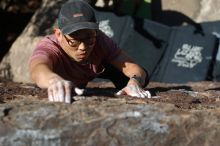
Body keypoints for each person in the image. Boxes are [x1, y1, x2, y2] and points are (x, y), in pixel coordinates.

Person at [29, 0, 151, 103]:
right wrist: (53, 80)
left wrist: (135, 81)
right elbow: (38, 67)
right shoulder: (50, 46)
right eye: (74, 40)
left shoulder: (100, 40)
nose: (82, 47)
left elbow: (135, 69)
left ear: (96, 31)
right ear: (59, 34)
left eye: (89, 39)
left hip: (95, 69)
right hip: (61, 81)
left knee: (141, 78)